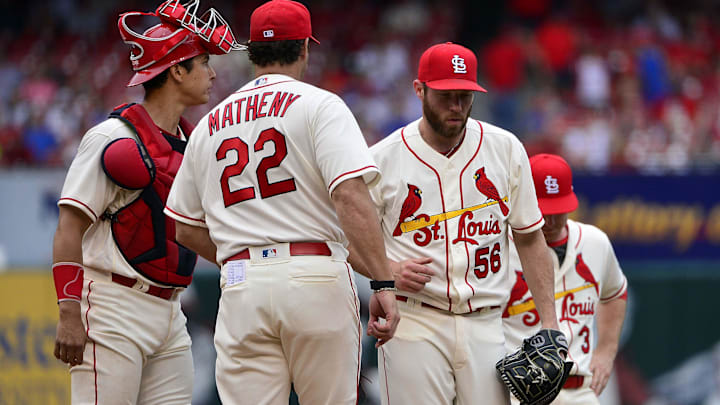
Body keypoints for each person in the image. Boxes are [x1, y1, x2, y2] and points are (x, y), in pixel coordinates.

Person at [163, 1, 400, 404]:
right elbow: (349, 195)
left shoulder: (209, 123)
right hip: (314, 275)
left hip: (241, 282)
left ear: (252, 51)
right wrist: (382, 280)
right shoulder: (320, 105)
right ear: (305, 48)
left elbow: (184, 226)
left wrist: (242, 261)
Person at [51, 1, 241, 403]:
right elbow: (69, 226)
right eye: (203, 62)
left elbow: (197, 233)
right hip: (112, 306)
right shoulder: (112, 138)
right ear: (176, 70)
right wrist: (68, 311)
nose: (211, 73)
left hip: (171, 311)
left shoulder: (194, 144)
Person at [368, 42, 561, 405]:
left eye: (465, 95)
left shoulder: (505, 148)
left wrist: (550, 323)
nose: (456, 105)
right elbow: (347, 240)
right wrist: (386, 269)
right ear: (419, 89)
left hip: (486, 322)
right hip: (414, 319)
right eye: (445, 95)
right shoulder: (382, 158)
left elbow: (531, 239)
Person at [502, 153, 628, 405]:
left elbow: (616, 293)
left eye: (556, 211)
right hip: (519, 391)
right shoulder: (500, 247)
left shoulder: (595, 242)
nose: (548, 221)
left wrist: (606, 350)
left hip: (579, 389)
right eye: (542, 210)